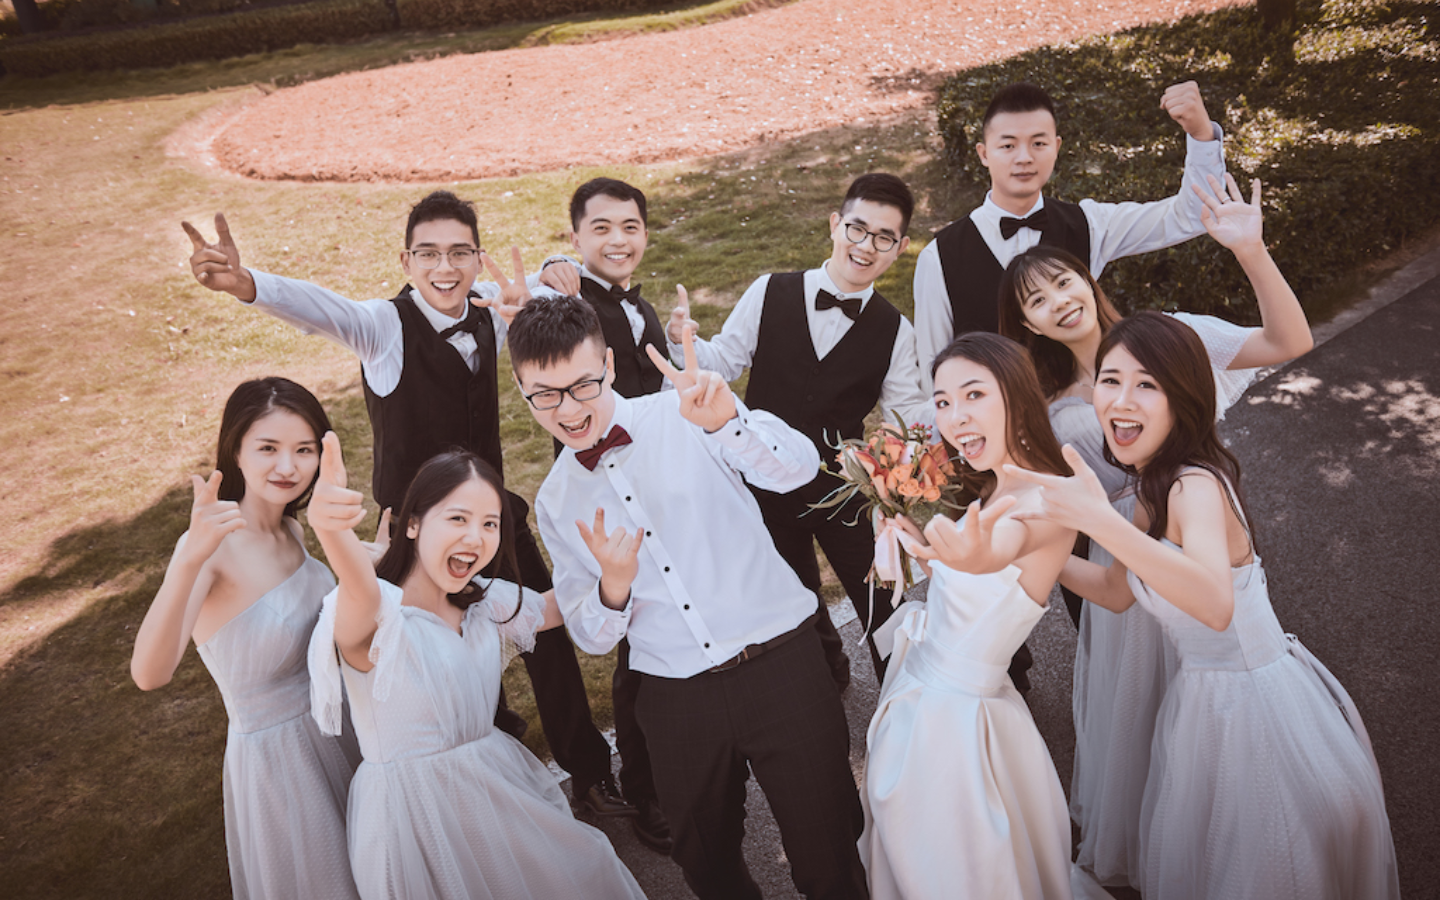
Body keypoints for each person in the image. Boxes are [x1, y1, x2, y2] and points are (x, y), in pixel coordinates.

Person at [181, 195, 631, 819]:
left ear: (477, 257)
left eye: (459, 253)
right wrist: (247, 283)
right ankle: (483, 777)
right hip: (416, 536)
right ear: (406, 260)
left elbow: (550, 280)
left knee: (547, 642)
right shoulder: (381, 327)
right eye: (429, 254)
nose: (445, 268)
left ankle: (590, 773)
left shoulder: (489, 308)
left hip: (494, 516)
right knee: (448, 652)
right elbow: (319, 307)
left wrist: (559, 263)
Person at [1008, 312, 1400, 900]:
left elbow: (1215, 605)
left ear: (1183, 396)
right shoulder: (1153, 488)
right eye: (1110, 380)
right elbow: (1116, 592)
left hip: (1252, 706)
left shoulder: (1195, 484)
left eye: (1147, 384)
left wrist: (1099, 523)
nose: (1121, 399)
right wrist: (1023, 550)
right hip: (1201, 699)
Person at [998, 174, 1314, 888]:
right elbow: (1068, 529)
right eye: (1036, 301)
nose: (1059, 301)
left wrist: (1252, 252)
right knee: (1151, 727)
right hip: (1129, 564)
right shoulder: (1047, 409)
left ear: (1088, 276)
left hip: (1187, 540)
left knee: (1229, 725)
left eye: (1063, 281)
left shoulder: (1169, 343)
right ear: (1030, 326)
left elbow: (1289, 340)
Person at [516, 296, 868, 900]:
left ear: (608, 364)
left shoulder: (687, 410)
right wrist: (613, 587)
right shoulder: (554, 500)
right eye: (544, 395)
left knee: (829, 854)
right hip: (674, 696)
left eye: (582, 386)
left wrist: (728, 422)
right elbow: (591, 637)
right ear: (523, 391)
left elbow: (797, 469)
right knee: (705, 865)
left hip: (781, 665)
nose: (568, 410)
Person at [305, 438, 647, 900]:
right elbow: (360, 591)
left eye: (490, 523)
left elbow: (551, 608)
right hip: (413, 819)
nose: (476, 538)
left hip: (494, 786)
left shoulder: (482, 601)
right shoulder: (376, 616)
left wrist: (612, 577)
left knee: (584, 868)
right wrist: (333, 534)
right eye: (458, 518)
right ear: (412, 524)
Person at [664, 172, 931, 687]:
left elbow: (904, 418)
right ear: (835, 225)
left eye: (883, 238)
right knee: (792, 597)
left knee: (882, 597)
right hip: (759, 481)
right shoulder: (771, 290)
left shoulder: (897, 331)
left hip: (843, 489)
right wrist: (685, 344)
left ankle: (907, 695)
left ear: (900, 249)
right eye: (857, 229)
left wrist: (904, 473)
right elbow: (726, 359)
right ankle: (826, 679)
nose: (865, 246)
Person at [858, 333, 1098, 900]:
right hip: (921, 692)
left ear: (1015, 394)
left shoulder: (1047, 502)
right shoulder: (993, 487)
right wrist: (919, 541)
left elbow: (994, 554)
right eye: (942, 401)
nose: (955, 416)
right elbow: (970, 579)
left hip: (958, 723)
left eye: (973, 394)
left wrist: (958, 553)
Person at [131, 377, 360, 900]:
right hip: (281, 763)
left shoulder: (293, 530)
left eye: (304, 450)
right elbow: (149, 674)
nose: (288, 467)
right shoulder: (211, 548)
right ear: (236, 450)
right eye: (268, 448)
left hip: (337, 727)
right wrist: (188, 558)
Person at [913, 79, 1227, 386]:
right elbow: (932, 374)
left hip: (1090, 406)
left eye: (1038, 143)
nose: (1024, 157)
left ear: (1057, 147)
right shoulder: (938, 257)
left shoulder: (1088, 223)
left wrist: (1201, 134)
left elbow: (1189, 216)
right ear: (983, 154)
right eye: (1008, 145)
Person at [532, 177, 673, 852]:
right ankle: (647, 793)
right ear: (575, 238)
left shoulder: (642, 307)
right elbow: (529, 301)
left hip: (659, 483)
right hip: (603, 493)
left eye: (630, 227)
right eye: (601, 228)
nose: (618, 240)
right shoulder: (565, 297)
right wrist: (549, 273)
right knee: (635, 648)